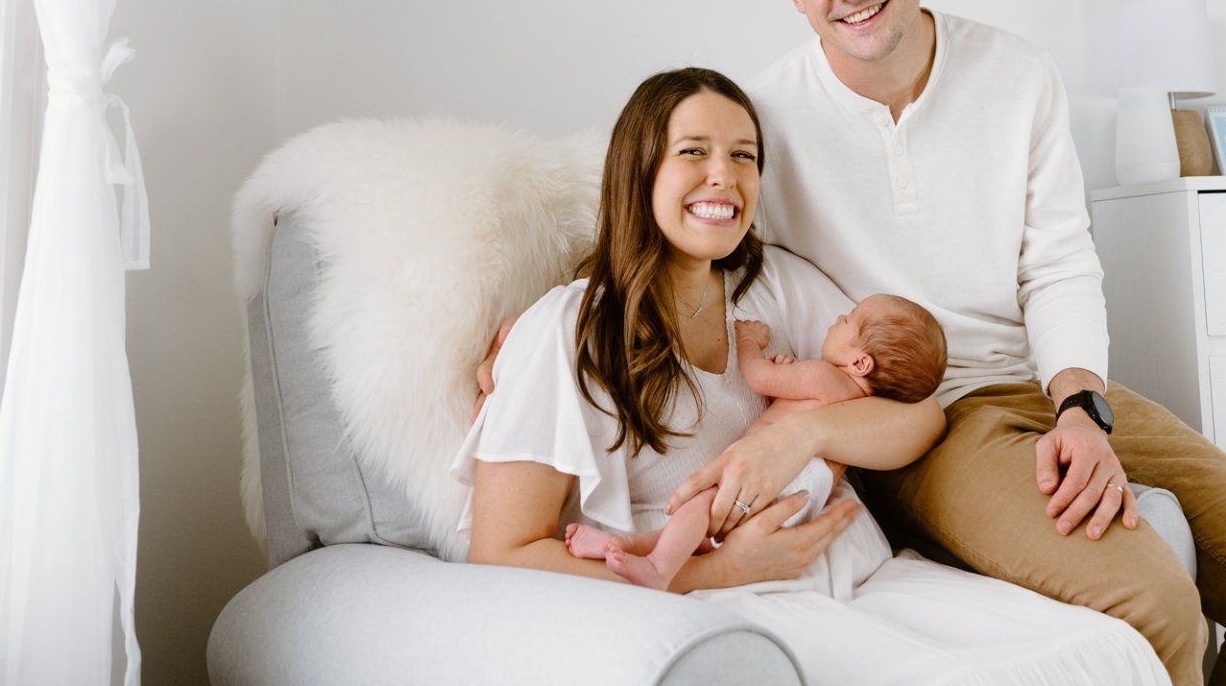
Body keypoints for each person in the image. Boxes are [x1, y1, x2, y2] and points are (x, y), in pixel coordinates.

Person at [655, 0, 1226, 686]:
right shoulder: (765, 115)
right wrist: (557, 315)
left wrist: (1079, 409)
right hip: (925, 420)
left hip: (1043, 383)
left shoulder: (1017, 74)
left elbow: (1059, 264)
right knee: (1156, 603)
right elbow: (688, 227)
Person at [456, 67, 1168, 684]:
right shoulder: (567, 328)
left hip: (856, 573)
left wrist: (798, 440)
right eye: (693, 152)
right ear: (637, 171)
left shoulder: (773, 287)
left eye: (744, 155)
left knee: (1103, 653)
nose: (724, 176)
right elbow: (502, 550)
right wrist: (721, 571)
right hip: (714, 593)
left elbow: (917, 416)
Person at [564, 294, 947, 591]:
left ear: (861, 363)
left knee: (703, 504)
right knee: (700, 529)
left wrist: (749, 343)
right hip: (806, 498)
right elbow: (784, 405)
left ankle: (659, 569)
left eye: (846, 320)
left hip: (779, 480)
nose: (836, 319)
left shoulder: (821, 376)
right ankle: (630, 548)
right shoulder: (860, 404)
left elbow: (757, 378)